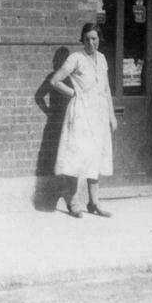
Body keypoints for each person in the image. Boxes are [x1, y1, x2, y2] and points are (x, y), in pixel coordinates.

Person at [50, 22, 117, 218]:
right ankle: (73, 203)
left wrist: (112, 115)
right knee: (77, 155)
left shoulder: (102, 59)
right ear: (82, 40)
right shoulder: (76, 58)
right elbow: (54, 81)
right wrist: (74, 94)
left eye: (94, 38)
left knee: (95, 155)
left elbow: (106, 89)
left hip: (99, 114)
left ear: (99, 39)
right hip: (81, 113)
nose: (91, 43)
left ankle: (94, 203)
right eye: (87, 39)